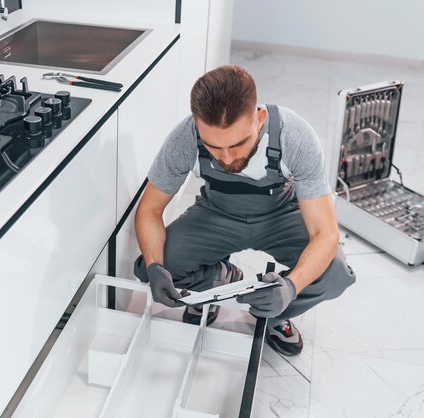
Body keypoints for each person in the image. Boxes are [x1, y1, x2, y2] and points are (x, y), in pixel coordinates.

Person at [133, 65, 356, 356]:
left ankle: (276, 313)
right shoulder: (185, 137)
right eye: (214, 147)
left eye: (237, 145)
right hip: (217, 214)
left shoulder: (295, 136)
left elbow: (325, 233)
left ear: (259, 119)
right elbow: (149, 210)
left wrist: (291, 286)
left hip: (281, 216)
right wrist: (154, 267)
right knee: (155, 264)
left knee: (335, 274)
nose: (226, 159)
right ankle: (219, 282)